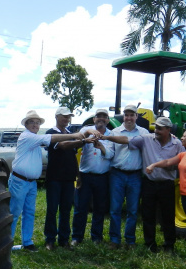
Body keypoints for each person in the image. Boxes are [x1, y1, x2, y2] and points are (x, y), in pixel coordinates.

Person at [9, 110, 85, 252]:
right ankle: (6, 243)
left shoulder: (34, 138)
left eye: (37, 123)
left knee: (29, 213)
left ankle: (27, 242)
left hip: (31, 182)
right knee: (14, 213)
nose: (35, 125)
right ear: (26, 124)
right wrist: (75, 135)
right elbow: (51, 138)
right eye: (32, 122)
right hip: (20, 181)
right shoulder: (27, 137)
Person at [106, 116, 185, 252]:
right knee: (148, 215)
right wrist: (107, 138)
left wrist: (173, 166)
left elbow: (184, 160)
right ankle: (150, 244)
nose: (157, 131)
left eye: (160, 129)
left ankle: (169, 245)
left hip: (167, 184)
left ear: (168, 130)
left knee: (168, 216)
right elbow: (125, 140)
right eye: (156, 128)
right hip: (149, 183)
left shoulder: (177, 144)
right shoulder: (146, 139)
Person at [146, 129, 186, 264]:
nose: (181, 137)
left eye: (184, 136)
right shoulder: (183, 155)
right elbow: (168, 162)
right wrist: (154, 165)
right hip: (185, 195)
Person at [106, 104, 149, 249]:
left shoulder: (144, 133)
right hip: (117, 174)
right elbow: (110, 153)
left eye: (132, 115)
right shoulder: (114, 132)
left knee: (133, 210)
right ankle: (115, 239)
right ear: (123, 116)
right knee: (115, 209)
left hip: (135, 175)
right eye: (126, 115)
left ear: (136, 116)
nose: (129, 118)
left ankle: (130, 240)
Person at [71, 108, 114, 246]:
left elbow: (111, 155)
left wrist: (101, 147)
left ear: (108, 120)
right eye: (98, 117)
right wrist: (89, 133)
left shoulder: (111, 135)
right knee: (80, 207)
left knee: (99, 208)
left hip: (102, 176)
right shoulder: (86, 130)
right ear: (94, 119)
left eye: (104, 117)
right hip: (85, 176)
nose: (101, 119)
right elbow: (76, 137)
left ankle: (96, 237)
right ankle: (77, 237)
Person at [43, 107, 83, 250]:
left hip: (68, 178)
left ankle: (64, 239)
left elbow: (72, 156)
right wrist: (81, 140)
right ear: (56, 117)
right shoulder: (51, 134)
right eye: (64, 117)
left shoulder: (70, 134)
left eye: (68, 117)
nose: (67, 119)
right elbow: (63, 146)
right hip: (54, 178)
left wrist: (78, 175)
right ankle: (50, 239)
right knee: (52, 209)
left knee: (66, 209)